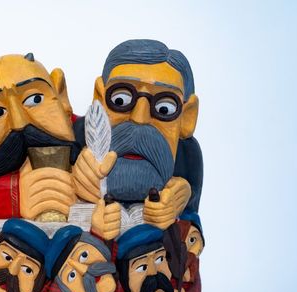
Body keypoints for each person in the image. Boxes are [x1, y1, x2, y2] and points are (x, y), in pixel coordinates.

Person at [73, 39, 204, 229]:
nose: (139, 118)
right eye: (120, 100)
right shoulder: (75, 136)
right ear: (100, 97)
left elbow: (192, 228)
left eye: (164, 108)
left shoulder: (188, 157)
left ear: (187, 116)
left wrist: (183, 196)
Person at [0, 53, 82, 219]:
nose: (19, 123)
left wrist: (96, 179)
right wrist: (17, 194)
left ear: (61, 95)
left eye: (35, 99)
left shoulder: (85, 131)